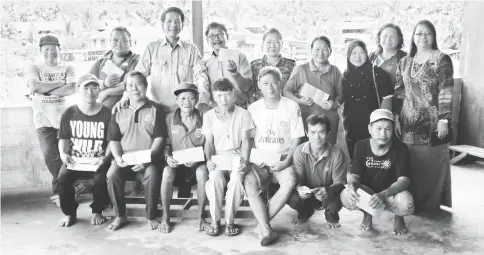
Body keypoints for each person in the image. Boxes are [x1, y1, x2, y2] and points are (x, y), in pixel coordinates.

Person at [393, 20, 454, 213]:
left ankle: (430, 206)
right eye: (419, 33)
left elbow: (447, 90)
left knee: (431, 167)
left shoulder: (441, 59)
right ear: (412, 37)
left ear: (434, 36)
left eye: (428, 33)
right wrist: (395, 117)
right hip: (408, 125)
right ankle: (412, 205)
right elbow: (398, 92)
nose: (423, 37)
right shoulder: (405, 61)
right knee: (412, 165)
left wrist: (444, 119)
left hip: (433, 125)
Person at [244, 66, 304, 245]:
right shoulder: (253, 108)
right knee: (248, 181)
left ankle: (262, 226)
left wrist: (286, 162)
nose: (270, 87)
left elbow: (297, 139)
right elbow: (249, 139)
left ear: (281, 84)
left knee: (290, 181)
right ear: (259, 86)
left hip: (282, 158)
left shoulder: (291, 106)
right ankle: (267, 229)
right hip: (260, 159)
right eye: (265, 83)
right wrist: (253, 159)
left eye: (274, 83)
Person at [106, 71, 167, 231]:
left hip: (149, 159)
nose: (134, 88)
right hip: (125, 159)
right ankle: (120, 216)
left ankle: (151, 216)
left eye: (138, 84)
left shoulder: (157, 109)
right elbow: (114, 140)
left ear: (146, 86)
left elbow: (159, 139)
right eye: (130, 85)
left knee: (152, 175)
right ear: (126, 89)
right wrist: (118, 158)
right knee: (112, 175)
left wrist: (146, 160)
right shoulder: (118, 110)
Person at [26, 34, 82, 206]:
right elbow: (34, 86)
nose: (50, 52)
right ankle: (73, 185)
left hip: (66, 120)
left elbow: (72, 88)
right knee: (50, 156)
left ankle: (61, 193)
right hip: (43, 121)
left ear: (59, 49)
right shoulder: (34, 67)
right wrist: (59, 85)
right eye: (46, 49)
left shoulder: (68, 67)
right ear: (41, 51)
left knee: (66, 156)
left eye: (53, 48)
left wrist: (45, 90)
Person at [341, 109, 415, 235]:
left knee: (405, 203)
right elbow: (355, 175)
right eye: (378, 128)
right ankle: (367, 214)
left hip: (390, 193)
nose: (383, 134)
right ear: (370, 129)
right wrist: (351, 187)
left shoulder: (400, 148)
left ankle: (398, 216)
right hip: (368, 194)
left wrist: (383, 194)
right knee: (346, 195)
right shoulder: (361, 146)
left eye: (388, 129)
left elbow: (404, 180)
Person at [125, 6, 210, 113]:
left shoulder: (191, 50)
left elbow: (201, 76)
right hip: (158, 110)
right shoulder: (151, 48)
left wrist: (203, 101)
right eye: (169, 21)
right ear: (162, 25)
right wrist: (127, 96)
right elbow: (138, 77)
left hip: (185, 110)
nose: (173, 25)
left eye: (177, 21)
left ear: (182, 25)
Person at [57, 74, 112, 227]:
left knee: (100, 179)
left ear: (99, 90)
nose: (90, 91)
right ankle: (69, 213)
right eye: (86, 87)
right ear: (78, 89)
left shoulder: (107, 113)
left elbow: (111, 142)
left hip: (98, 160)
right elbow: (63, 139)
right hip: (76, 160)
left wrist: (105, 158)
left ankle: (97, 211)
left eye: (94, 87)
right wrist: (63, 154)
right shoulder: (69, 112)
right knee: (62, 178)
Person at [202, 78, 253, 237]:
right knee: (215, 179)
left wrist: (245, 161)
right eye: (219, 96)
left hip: (237, 155)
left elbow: (246, 142)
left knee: (237, 180)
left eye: (227, 95)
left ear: (234, 96)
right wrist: (209, 160)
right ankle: (215, 220)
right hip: (218, 156)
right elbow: (209, 143)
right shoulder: (209, 116)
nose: (223, 100)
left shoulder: (243, 114)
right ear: (213, 97)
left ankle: (229, 220)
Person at [161, 82, 209, 233]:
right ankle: (165, 216)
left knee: (202, 172)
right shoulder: (170, 119)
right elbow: (166, 144)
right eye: (182, 99)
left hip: (198, 164)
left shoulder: (204, 117)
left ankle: (201, 216)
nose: (186, 102)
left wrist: (199, 159)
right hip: (177, 166)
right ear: (176, 101)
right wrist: (167, 157)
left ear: (196, 99)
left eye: (190, 98)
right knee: (166, 173)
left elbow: (209, 143)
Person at [289, 114, 347, 227]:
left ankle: (331, 214)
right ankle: (305, 212)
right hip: (308, 194)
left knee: (340, 195)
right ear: (307, 133)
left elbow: (340, 183)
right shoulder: (299, 151)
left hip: (329, 193)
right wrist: (300, 188)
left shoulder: (337, 153)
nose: (317, 137)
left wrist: (327, 191)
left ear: (328, 134)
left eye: (321, 132)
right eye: (313, 132)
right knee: (292, 197)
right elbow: (298, 179)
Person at [284, 36, 342, 144]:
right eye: (317, 49)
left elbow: (341, 95)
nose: (321, 53)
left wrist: (334, 104)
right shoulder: (301, 69)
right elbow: (286, 91)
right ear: (311, 51)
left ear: (330, 51)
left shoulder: (335, 71)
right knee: (304, 152)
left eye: (325, 49)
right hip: (305, 120)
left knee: (328, 154)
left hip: (328, 122)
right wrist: (299, 101)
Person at [341, 40, 394, 159]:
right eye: (354, 53)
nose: (358, 56)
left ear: (367, 54)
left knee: (375, 160)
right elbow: (339, 99)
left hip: (373, 127)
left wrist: (382, 124)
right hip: (351, 128)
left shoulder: (377, 73)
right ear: (348, 56)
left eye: (361, 52)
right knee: (356, 161)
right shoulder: (344, 76)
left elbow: (388, 98)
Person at [203, 22, 253, 109]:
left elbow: (247, 86)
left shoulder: (240, 57)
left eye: (220, 34)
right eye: (212, 36)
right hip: (216, 110)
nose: (217, 39)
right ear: (207, 40)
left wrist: (235, 74)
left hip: (239, 107)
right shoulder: (205, 63)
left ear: (227, 37)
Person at [89, 26, 140, 109]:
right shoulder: (101, 61)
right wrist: (105, 83)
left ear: (130, 42)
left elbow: (129, 84)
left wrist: (106, 92)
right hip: (95, 107)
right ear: (110, 42)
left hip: (122, 110)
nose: (119, 43)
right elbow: (87, 82)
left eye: (124, 40)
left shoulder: (135, 60)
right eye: (115, 40)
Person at [250, 28, 296, 101]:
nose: (272, 45)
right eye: (269, 42)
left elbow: (296, 89)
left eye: (276, 42)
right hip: (261, 108)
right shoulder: (254, 65)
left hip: (285, 108)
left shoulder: (292, 65)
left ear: (282, 44)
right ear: (263, 44)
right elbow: (250, 90)